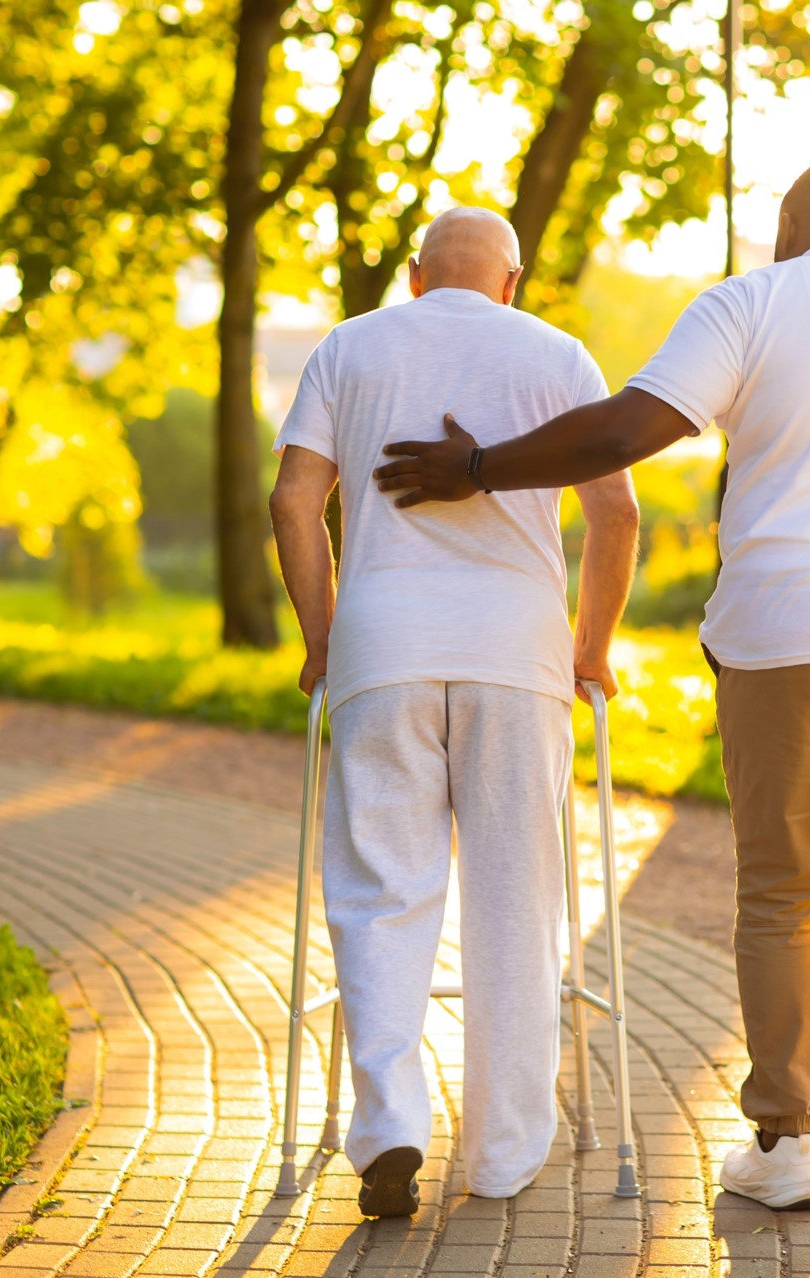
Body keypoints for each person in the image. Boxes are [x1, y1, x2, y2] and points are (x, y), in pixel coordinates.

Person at [370, 158, 810, 1236]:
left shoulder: (751, 301)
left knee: (781, 891)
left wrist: (477, 468)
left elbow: (620, 434)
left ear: (787, 226)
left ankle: (787, 1146)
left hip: (785, 637)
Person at [268, 207, 639, 1216]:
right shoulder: (557, 354)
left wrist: (321, 632)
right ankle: (505, 1153)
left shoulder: (350, 346)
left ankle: (387, 1126)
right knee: (517, 903)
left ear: (418, 276)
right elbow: (617, 512)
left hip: (382, 650)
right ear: (511, 281)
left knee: (383, 891)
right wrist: (590, 648)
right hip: (514, 658)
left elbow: (294, 499)